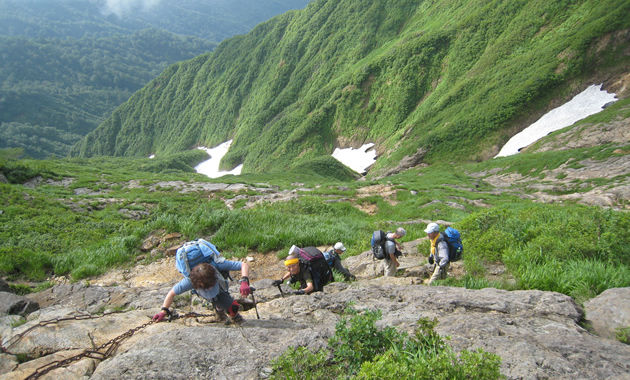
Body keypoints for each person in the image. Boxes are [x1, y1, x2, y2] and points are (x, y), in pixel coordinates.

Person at [153, 239, 250, 323]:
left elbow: (243, 265)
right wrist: (163, 311)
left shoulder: (218, 264)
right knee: (218, 300)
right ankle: (219, 311)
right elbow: (171, 293)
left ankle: (226, 312)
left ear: (216, 276)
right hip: (211, 284)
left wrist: (244, 281)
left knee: (229, 304)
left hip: (219, 285)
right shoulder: (189, 281)